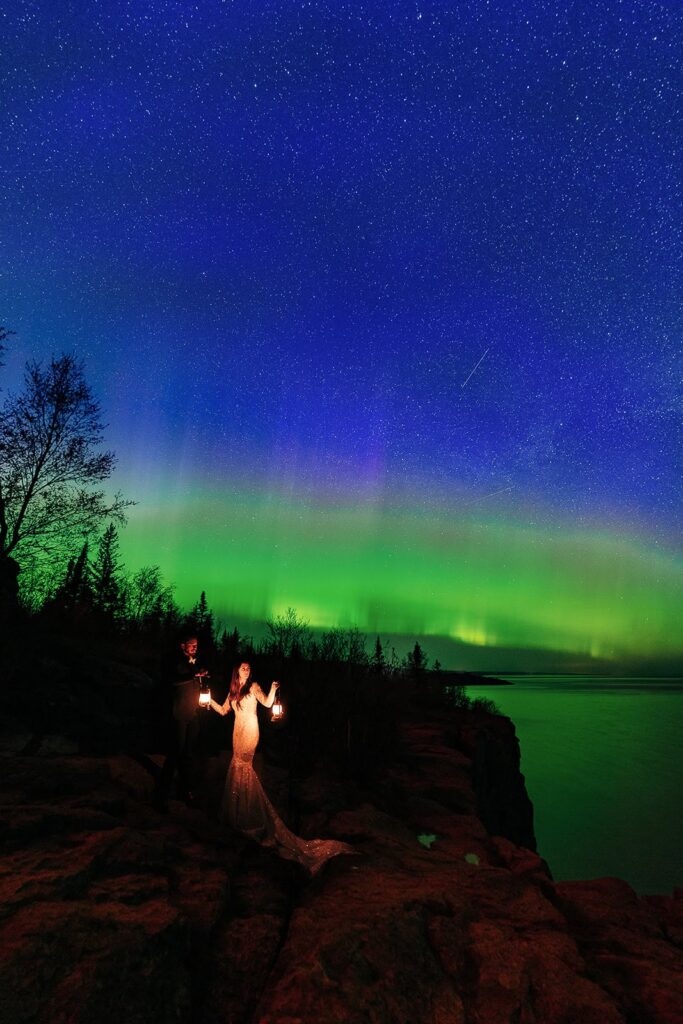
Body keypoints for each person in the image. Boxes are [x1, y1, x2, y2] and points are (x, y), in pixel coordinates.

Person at [210, 661, 354, 875]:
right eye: (243, 668)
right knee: (236, 766)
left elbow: (268, 704)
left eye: (249, 668)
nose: (246, 670)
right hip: (236, 732)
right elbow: (223, 711)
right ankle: (238, 814)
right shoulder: (233, 691)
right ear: (236, 671)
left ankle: (249, 816)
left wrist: (274, 690)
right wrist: (207, 700)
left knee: (244, 767)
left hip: (250, 731)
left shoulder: (254, 687)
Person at [154, 635, 209, 809]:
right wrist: (194, 674)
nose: (194, 647)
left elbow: (196, 681)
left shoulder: (194, 663)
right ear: (182, 645)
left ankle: (185, 792)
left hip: (192, 713)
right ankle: (161, 796)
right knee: (175, 753)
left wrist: (202, 681)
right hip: (178, 713)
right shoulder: (175, 662)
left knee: (189, 754)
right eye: (191, 645)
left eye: (196, 645)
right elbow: (173, 681)